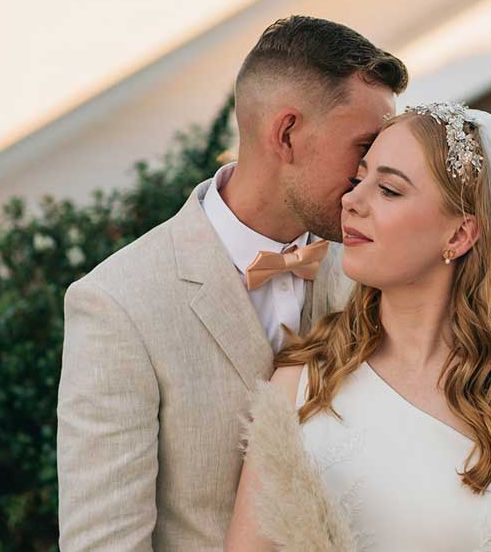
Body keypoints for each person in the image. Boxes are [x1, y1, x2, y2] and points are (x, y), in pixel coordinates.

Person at [56, 16, 407, 550]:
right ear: (286, 134)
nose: (371, 172)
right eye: (362, 147)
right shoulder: (118, 304)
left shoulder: (379, 269)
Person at [226, 103, 491, 551]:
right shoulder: (301, 386)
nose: (352, 201)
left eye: (388, 189)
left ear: (460, 235)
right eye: (358, 179)